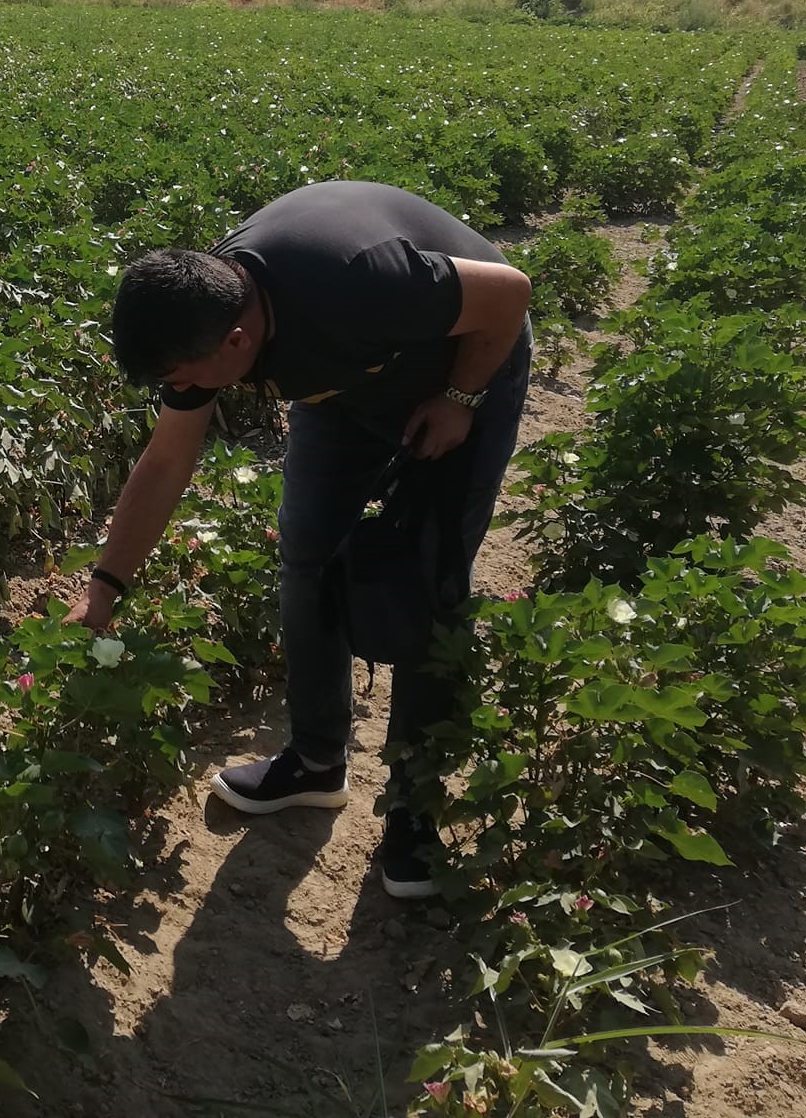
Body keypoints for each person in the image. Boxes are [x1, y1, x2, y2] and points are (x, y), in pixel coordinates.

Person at [69, 180, 531, 900]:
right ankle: (317, 761)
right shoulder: (208, 313)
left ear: (238, 342)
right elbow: (166, 459)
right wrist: (104, 590)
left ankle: (416, 812)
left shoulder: (359, 281)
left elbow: (508, 292)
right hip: (346, 383)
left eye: (183, 378)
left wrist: (460, 399)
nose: (180, 390)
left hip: (466, 358)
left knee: (426, 582)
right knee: (307, 557)